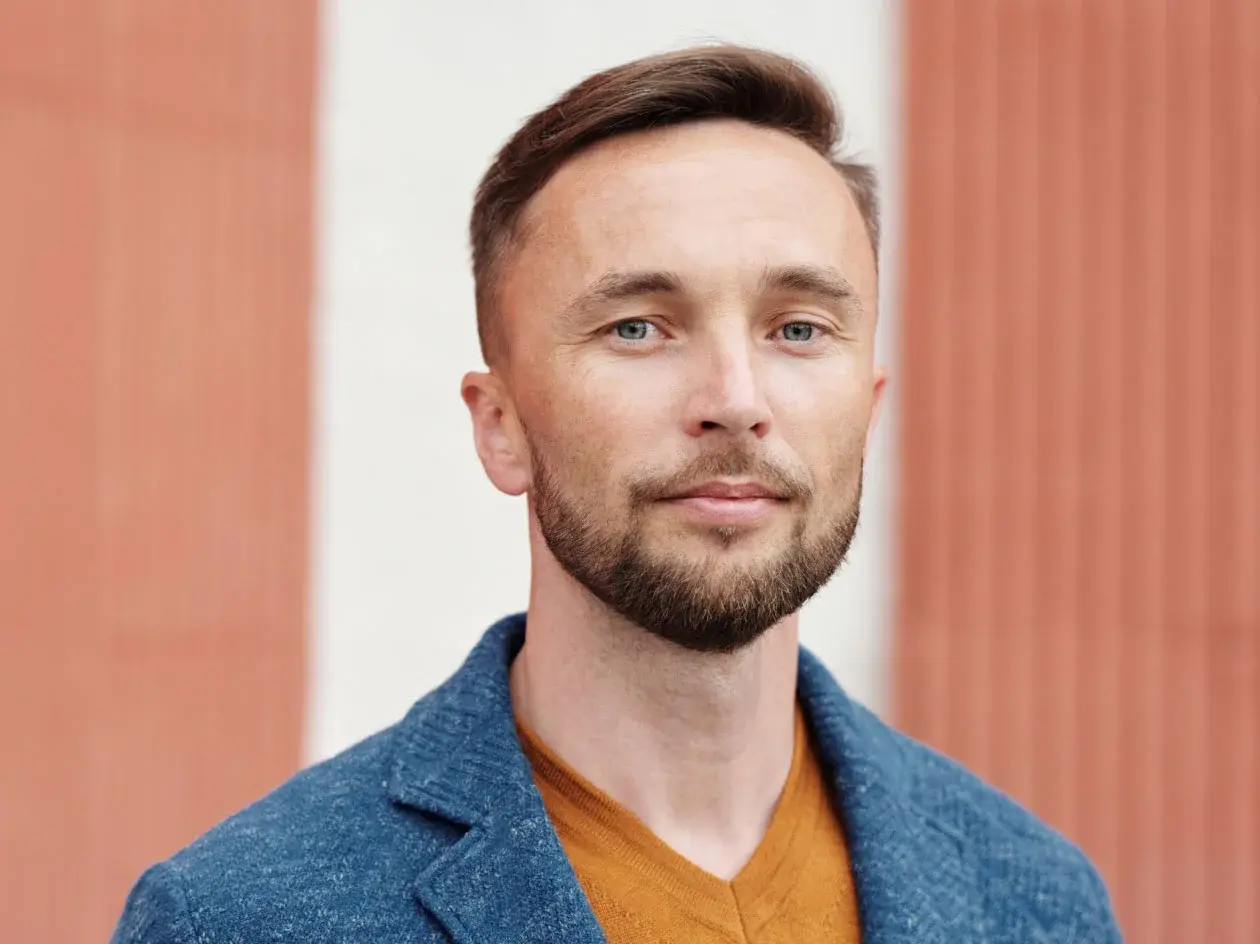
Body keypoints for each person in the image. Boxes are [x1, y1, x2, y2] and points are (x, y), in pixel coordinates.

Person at [112, 45, 1122, 943]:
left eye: (799, 327)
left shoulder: (1035, 896)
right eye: (639, 325)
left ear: (869, 404)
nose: (735, 399)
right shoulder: (240, 919)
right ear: (499, 425)